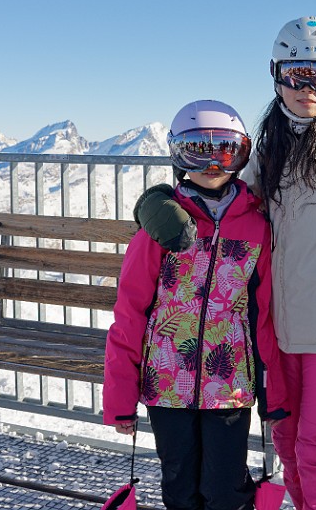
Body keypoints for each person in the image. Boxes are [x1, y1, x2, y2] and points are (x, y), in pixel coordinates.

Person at [134, 16, 316, 510]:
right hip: (277, 334)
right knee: (288, 449)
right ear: (276, 74)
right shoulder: (273, 145)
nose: (307, 88)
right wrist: (155, 202)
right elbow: (223, 199)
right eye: (296, 73)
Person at [103, 99, 289, 510]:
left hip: (229, 385)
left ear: (242, 155)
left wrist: (271, 392)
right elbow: (131, 312)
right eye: (196, 150)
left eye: (226, 150)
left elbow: (261, 315)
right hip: (167, 381)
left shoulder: (256, 226)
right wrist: (119, 396)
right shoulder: (162, 227)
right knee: (180, 488)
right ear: (177, 155)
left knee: (227, 489)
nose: (212, 164)